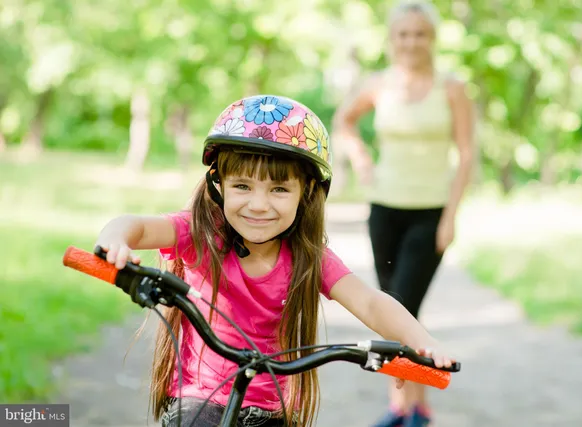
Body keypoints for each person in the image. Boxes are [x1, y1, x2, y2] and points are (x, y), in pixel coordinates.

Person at [94, 94, 456, 427]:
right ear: (218, 183)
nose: (258, 204)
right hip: (199, 401)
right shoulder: (200, 232)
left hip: (274, 411)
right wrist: (115, 241)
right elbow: (137, 227)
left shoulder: (306, 257)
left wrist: (422, 341)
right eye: (242, 186)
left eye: (279, 189)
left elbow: (370, 302)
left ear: (307, 192)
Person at [332, 1, 476, 426]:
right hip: (384, 210)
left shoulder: (452, 88)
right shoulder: (378, 84)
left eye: (420, 34)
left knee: (402, 306)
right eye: (403, 34)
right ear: (392, 39)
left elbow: (466, 153)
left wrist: (451, 216)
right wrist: (360, 159)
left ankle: (402, 409)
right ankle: (417, 406)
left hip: (429, 212)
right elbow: (344, 121)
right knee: (395, 311)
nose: (411, 41)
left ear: (432, 38)